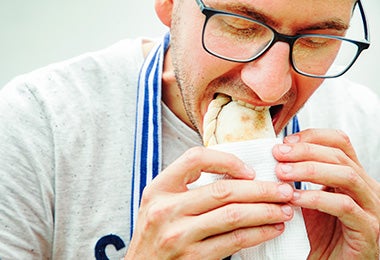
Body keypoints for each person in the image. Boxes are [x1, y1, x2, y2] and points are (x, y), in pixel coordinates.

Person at [0, 0, 379, 259]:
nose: (271, 87)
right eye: (241, 26)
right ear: (169, 4)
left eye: (318, 40)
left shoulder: (364, 129)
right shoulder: (35, 126)